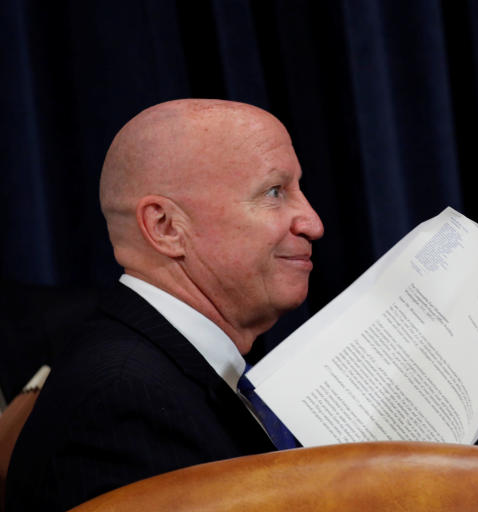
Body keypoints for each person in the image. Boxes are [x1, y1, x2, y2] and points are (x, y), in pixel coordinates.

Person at [5, 99, 324, 511]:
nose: (313, 222)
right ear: (166, 227)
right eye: (274, 192)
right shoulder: (122, 398)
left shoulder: (172, 373)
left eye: (299, 189)